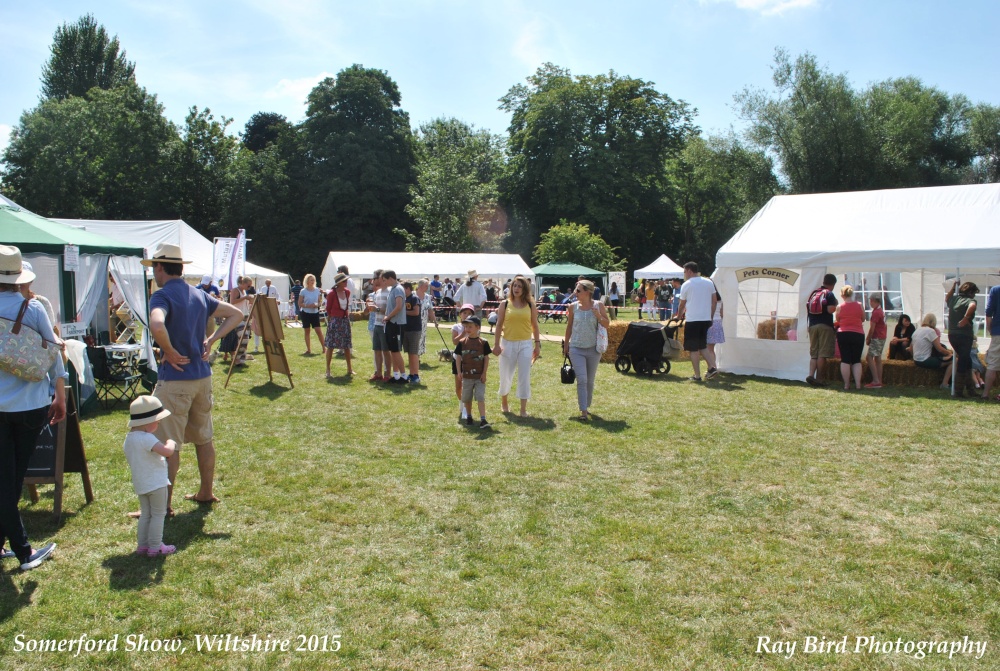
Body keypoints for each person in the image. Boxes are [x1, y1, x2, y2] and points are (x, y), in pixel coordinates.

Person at [144, 242, 243, 512]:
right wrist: (211, 340)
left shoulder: (162, 296)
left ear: (160, 267)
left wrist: (169, 350)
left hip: (175, 380)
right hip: (202, 378)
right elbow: (236, 313)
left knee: (169, 444)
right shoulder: (199, 295)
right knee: (203, 438)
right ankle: (206, 491)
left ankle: (162, 506)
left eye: (154, 266)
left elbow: (156, 323)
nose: (153, 271)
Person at [0, 245, 65, 571]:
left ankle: (8, 545)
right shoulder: (33, 307)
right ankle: (24, 552)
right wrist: (61, 393)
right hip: (29, 405)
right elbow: (54, 353)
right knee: (11, 478)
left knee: (6, 480)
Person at [123, 396, 177, 557]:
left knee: (146, 514)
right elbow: (167, 452)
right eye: (157, 420)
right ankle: (155, 546)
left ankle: (142, 545)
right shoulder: (147, 438)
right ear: (147, 422)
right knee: (159, 514)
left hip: (141, 483)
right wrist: (171, 442)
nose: (159, 423)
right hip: (157, 483)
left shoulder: (129, 439)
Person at [493, 275, 542, 417]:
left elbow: (535, 325)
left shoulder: (531, 305)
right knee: (505, 375)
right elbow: (499, 324)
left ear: (525, 289)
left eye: (520, 286)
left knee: (524, 376)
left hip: (526, 344)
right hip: (507, 343)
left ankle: (523, 409)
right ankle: (504, 403)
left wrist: (537, 345)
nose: (516, 288)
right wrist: (496, 344)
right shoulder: (505, 304)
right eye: (514, 286)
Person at [563, 280, 610, 420]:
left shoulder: (598, 305)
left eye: (578, 291)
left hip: (593, 349)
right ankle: (583, 410)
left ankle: (587, 404)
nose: (575, 293)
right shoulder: (573, 307)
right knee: (582, 379)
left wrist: (599, 316)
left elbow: (607, 324)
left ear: (587, 292)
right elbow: (569, 326)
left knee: (590, 381)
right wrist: (566, 345)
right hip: (576, 348)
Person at [677, 262, 719, 382]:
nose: (684, 274)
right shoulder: (709, 282)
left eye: (685, 272)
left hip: (693, 319)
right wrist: (710, 316)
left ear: (689, 271)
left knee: (693, 349)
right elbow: (714, 301)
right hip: (705, 319)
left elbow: (682, 304)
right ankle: (712, 367)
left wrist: (679, 316)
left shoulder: (687, 284)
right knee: (702, 345)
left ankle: (697, 375)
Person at [454, 315, 492, 429]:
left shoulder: (483, 343)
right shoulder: (462, 342)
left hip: (479, 376)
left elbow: (486, 358)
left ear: (478, 327)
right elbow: (458, 357)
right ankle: (469, 416)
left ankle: (483, 419)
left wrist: (484, 373)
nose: (467, 329)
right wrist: (459, 372)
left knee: (480, 396)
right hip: (467, 376)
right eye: (466, 327)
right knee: (467, 397)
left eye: (470, 327)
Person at [945, 280, 979, 396]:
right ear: (970, 292)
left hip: (952, 334)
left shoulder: (954, 299)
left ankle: (970, 389)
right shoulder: (970, 300)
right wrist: (966, 318)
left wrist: (953, 288)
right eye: (974, 293)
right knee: (963, 360)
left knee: (967, 360)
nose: (974, 295)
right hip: (964, 335)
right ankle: (958, 390)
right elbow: (972, 306)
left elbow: (947, 298)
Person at [805, 274, 839, 387]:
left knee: (814, 353)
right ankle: (819, 378)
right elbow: (830, 310)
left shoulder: (814, 293)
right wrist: (835, 304)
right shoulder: (829, 294)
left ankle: (810, 375)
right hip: (825, 326)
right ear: (833, 284)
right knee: (822, 354)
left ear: (823, 281)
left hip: (812, 326)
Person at [910, 313, 954, 389]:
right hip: (925, 360)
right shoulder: (930, 331)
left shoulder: (917, 331)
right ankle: (945, 383)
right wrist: (949, 353)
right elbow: (939, 348)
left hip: (916, 360)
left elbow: (911, 348)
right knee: (954, 361)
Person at [835, 286, 866, 390]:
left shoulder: (839, 306)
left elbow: (838, 319)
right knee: (856, 360)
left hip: (843, 333)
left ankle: (846, 384)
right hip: (858, 333)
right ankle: (858, 384)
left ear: (842, 295)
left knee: (845, 359)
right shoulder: (860, 305)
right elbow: (863, 319)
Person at [324, 272, 354, 378]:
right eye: (345, 281)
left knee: (346, 345)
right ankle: (328, 370)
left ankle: (350, 369)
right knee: (331, 346)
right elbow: (328, 308)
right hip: (335, 321)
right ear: (339, 283)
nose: (346, 282)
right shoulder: (332, 294)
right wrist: (332, 319)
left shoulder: (347, 292)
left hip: (345, 320)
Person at [381, 270, 408, 384]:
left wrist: (388, 317)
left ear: (391, 278)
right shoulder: (393, 289)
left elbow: (398, 306)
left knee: (396, 351)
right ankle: (396, 376)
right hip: (392, 324)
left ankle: (404, 376)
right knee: (393, 350)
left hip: (396, 324)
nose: (384, 282)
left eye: (385, 280)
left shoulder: (398, 289)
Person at [451, 304, 475, 419]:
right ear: (460, 314)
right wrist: (464, 332)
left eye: (469, 313)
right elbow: (455, 342)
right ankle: (461, 401)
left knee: (467, 384)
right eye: (464, 313)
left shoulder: (474, 328)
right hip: (457, 360)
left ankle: (466, 407)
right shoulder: (456, 327)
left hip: (469, 360)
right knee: (458, 385)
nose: (467, 315)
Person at [367, 270, 388, 381]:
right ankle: (378, 374)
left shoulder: (389, 291)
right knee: (377, 350)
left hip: (385, 325)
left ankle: (387, 374)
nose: (376, 280)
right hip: (376, 324)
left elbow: (391, 310)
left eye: (378, 277)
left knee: (386, 351)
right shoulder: (378, 293)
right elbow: (370, 308)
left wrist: (378, 309)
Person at [297, 274, 324, 355]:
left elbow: (320, 302)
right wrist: (308, 306)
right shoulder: (303, 291)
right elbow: (299, 303)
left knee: (318, 330)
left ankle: (324, 348)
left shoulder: (317, 290)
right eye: (311, 280)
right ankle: (308, 349)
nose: (312, 282)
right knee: (307, 331)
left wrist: (317, 305)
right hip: (305, 313)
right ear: (307, 281)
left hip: (315, 312)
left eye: (313, 280)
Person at [982, 280, 1000, 401]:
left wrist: (989, 327)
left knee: (992, 364)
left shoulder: (995, 289)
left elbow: (989, 311)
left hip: (998, 331)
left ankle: (985, 394)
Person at [402, 282, 423, 383]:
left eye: (403, 289)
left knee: (414, 353)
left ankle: (416, 375)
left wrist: (403, 312)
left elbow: (416, 312)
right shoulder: (404, 299)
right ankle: (411, 373)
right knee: (409, 353)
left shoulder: (414, 298)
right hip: (406, 329)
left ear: (407, 288)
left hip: (414, 329)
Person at [865, 296, 887, 388]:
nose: (870, 303)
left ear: (875, 301)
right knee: (877, 358)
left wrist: (868, 338)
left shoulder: (876, 312)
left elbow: (872, 328)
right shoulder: (880, 311)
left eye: (871, 301)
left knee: (869, 357)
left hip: (877, 337)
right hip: (882, 336)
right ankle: (879, 380)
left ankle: (875, 380)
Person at [416, 279, 436, 357]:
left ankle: (418, 356)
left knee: (421, 338)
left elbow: (430, 310)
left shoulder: (427, 297)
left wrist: (434, 321)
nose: (427, 288)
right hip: (414, 321)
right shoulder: (413, 295)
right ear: (420, 286)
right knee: (415, 339)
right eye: (426, 286)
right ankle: (414, 356)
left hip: (423, 322)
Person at [706, 290, 724, 360]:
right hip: (718, 323)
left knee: (709, 349)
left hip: (710, 323)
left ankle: (713, 367)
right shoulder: (720, 301)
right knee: (711, 349)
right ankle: (713, 367)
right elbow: (722, 314)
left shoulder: (708, 301)